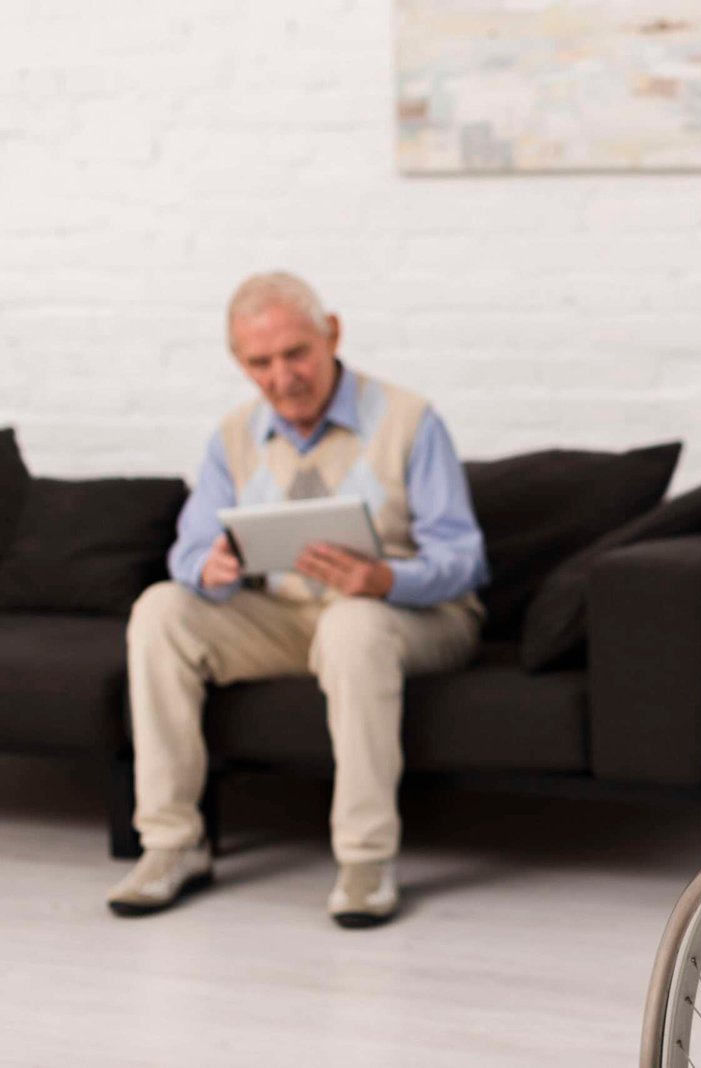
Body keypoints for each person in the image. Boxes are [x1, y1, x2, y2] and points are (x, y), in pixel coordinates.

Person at [107, 271, 489, 928]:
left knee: (352, 624)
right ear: (241, 363)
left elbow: (464, 558)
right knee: (160, 609)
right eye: (261, 362)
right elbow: (187, 550)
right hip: (289, 617)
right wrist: (212, 566)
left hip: (413, 615)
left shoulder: (409, 419)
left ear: (331, 335)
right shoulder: (233, 436)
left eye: (296, 354)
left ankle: (366, 858)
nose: (282, 377)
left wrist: (385, 580)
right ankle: (172, 844)